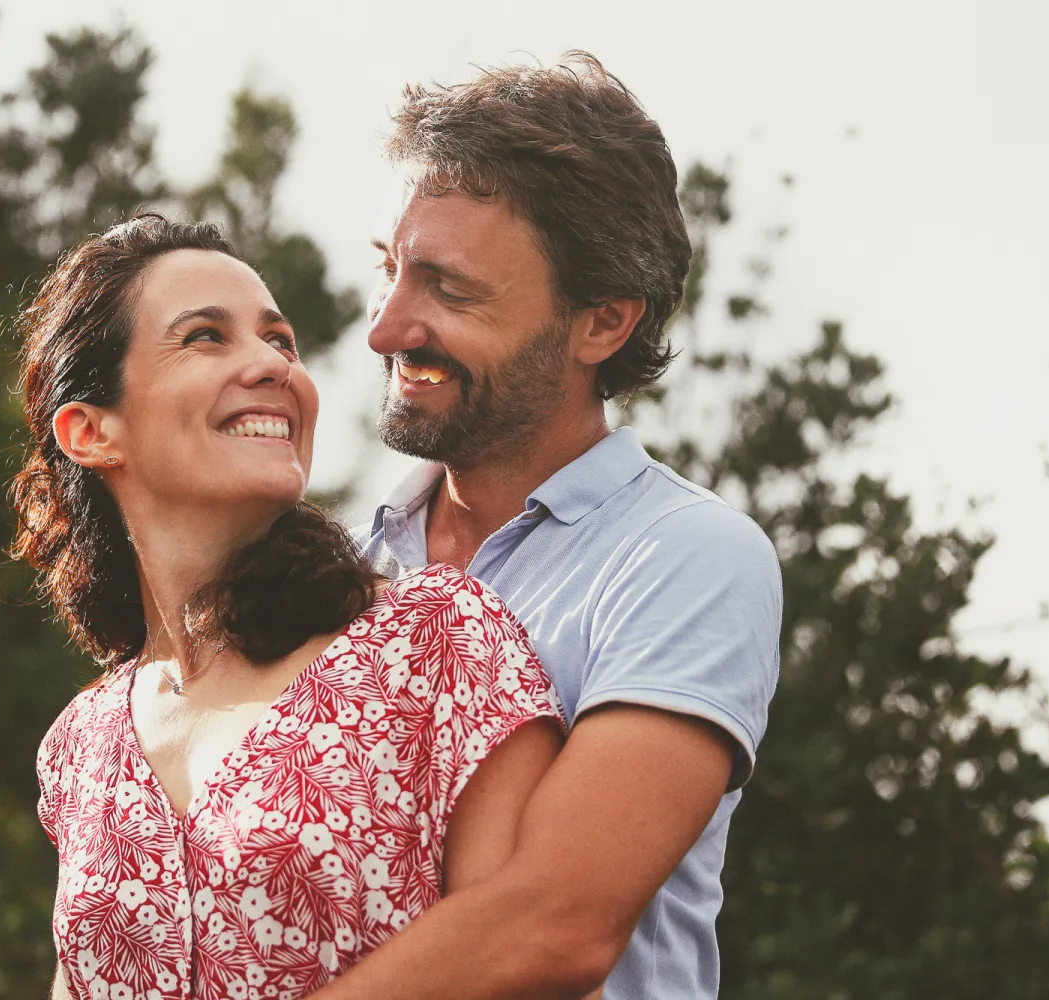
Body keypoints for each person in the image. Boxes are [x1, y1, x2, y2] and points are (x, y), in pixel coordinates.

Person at [11, 214, 565, 1000]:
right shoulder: (79, 746)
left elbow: (537, 969)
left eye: (280, 341)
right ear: (91, 431)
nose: (271, 364)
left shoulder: (437, 642)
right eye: (206, 336)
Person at [323, 54, 784, 999]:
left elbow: (554, 927)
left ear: (603, 323)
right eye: (390, 272)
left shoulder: (687, 558)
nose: (386, 329)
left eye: (449, 292)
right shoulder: (341, 568)